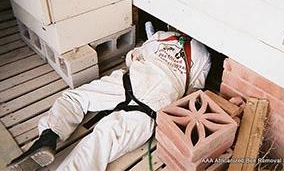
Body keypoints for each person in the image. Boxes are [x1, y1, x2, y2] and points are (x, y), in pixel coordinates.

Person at [8, 31, 211, 171]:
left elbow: (133, 57)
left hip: (127, 82)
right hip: (154, 107)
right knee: (103, 139)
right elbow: (192, 93)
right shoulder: (203, 56)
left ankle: (49, 135)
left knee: (76, 98)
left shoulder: (161, 36)